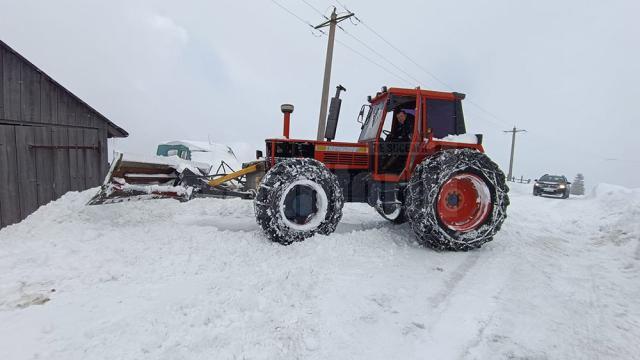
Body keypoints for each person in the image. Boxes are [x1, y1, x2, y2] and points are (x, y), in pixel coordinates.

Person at [382, 108, 414, 172]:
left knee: (398, 147)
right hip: (405, 142)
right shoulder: (402, 124)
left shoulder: (410, 123)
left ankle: (386, 167)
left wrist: (398, 138)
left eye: (401, 116)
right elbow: (399, 133)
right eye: (398, 118)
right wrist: (392, 137)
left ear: (405, 115)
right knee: (389, 139)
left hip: (410, 144)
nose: (400, 119)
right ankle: (384, 160)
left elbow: (409, 136)